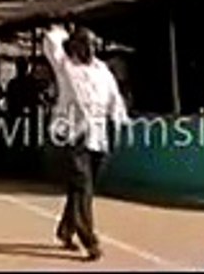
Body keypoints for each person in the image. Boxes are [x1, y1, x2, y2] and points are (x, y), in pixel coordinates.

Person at [42, 23, 129, 261]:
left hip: (98, 136)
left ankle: (66, 229)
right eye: (85, 44)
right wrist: (61, 30)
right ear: (76, 46)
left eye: (93, 44)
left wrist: (119, 121)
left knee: (81, 188)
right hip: (72, 134)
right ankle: (89, 240)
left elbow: (113, 97)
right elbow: (51, 42)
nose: (91, 49)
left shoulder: (102, 69)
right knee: (82, 185)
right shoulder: (65, 65)